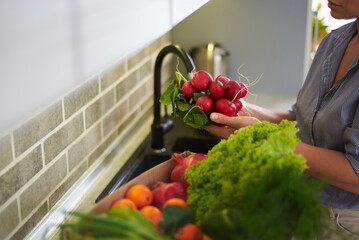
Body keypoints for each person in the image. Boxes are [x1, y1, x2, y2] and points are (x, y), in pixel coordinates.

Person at [205, 0, 359, 238]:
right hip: (304, 200)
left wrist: (268, 140)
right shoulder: (334, 41)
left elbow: (356, 174)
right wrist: (243, 109)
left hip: (346, 223)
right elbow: (300, 120)